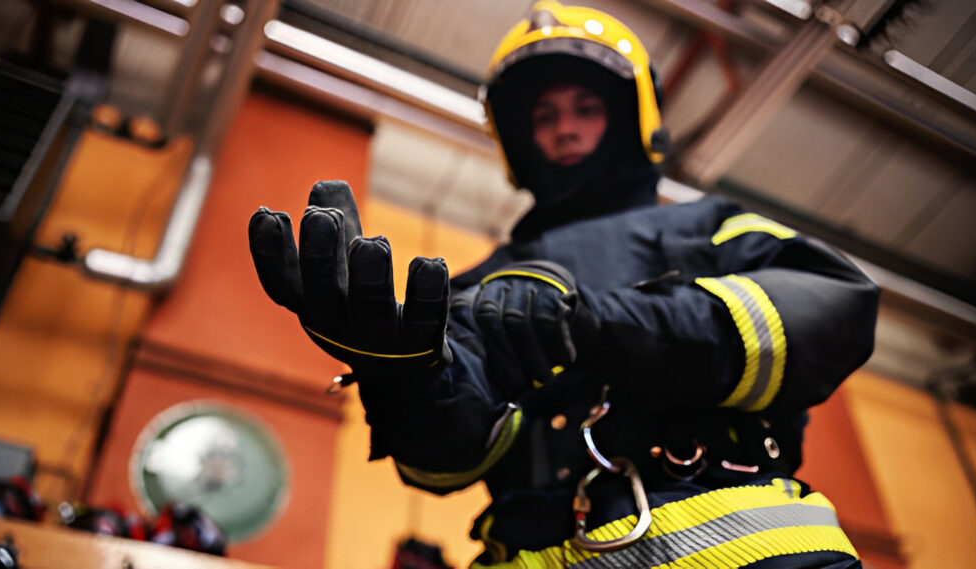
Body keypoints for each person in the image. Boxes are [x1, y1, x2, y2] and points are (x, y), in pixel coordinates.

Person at [247, 1, 880, 567]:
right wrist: (405, 383)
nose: (565, 129)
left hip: (744, 550)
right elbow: (444, 466)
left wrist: (600, 326)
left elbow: (832, 311)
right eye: (544, 116)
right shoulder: (479, 284)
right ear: (518, 138)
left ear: (633, 117)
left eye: (586, 108)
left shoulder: (707, 227)